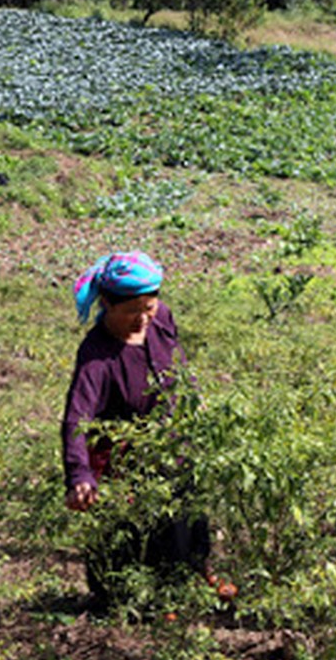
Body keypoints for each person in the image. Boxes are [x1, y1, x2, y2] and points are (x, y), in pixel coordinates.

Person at [61, 251, 227, 609]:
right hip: (125, 457)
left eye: (148, 306)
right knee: (129, 541)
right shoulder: (97, 355)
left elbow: (178, 360)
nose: (142, 318)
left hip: (172, 441)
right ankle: (136, 603)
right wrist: (79, 475)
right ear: (106, 304)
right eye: (131, 310)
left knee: (185, 519)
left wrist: (193, 401)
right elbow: (77, 417)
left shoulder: (161, 318)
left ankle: (193, 579)